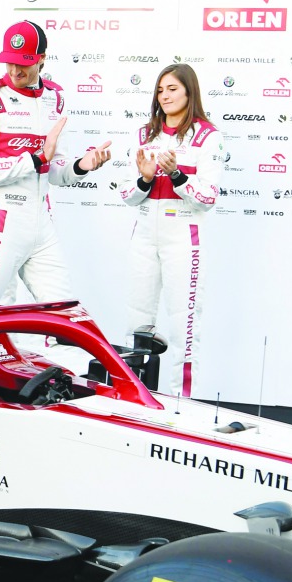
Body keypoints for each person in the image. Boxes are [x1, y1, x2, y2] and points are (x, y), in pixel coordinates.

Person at [0, 21, 111, 306]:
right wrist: (35, 159)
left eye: (24, 63)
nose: (15, 71)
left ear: (42, 58)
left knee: (66, 316)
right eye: (9, 62)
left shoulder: (55, 97)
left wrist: (82, 165)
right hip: (2, 224)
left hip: (42, 225)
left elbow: (56, 173)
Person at [120, 63, 223, 398]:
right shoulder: (143, 135)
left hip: (183, 235)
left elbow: (207, 198)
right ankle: (134, 401)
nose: (165, 96)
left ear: (189, 92)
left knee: (184, 326)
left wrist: (177, 176)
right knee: (137, 322)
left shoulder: (208, 136)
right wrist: (146, 178)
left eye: (173, 89)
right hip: (145, 234)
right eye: (161, 89)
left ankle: (183, 404)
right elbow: (126, 195)